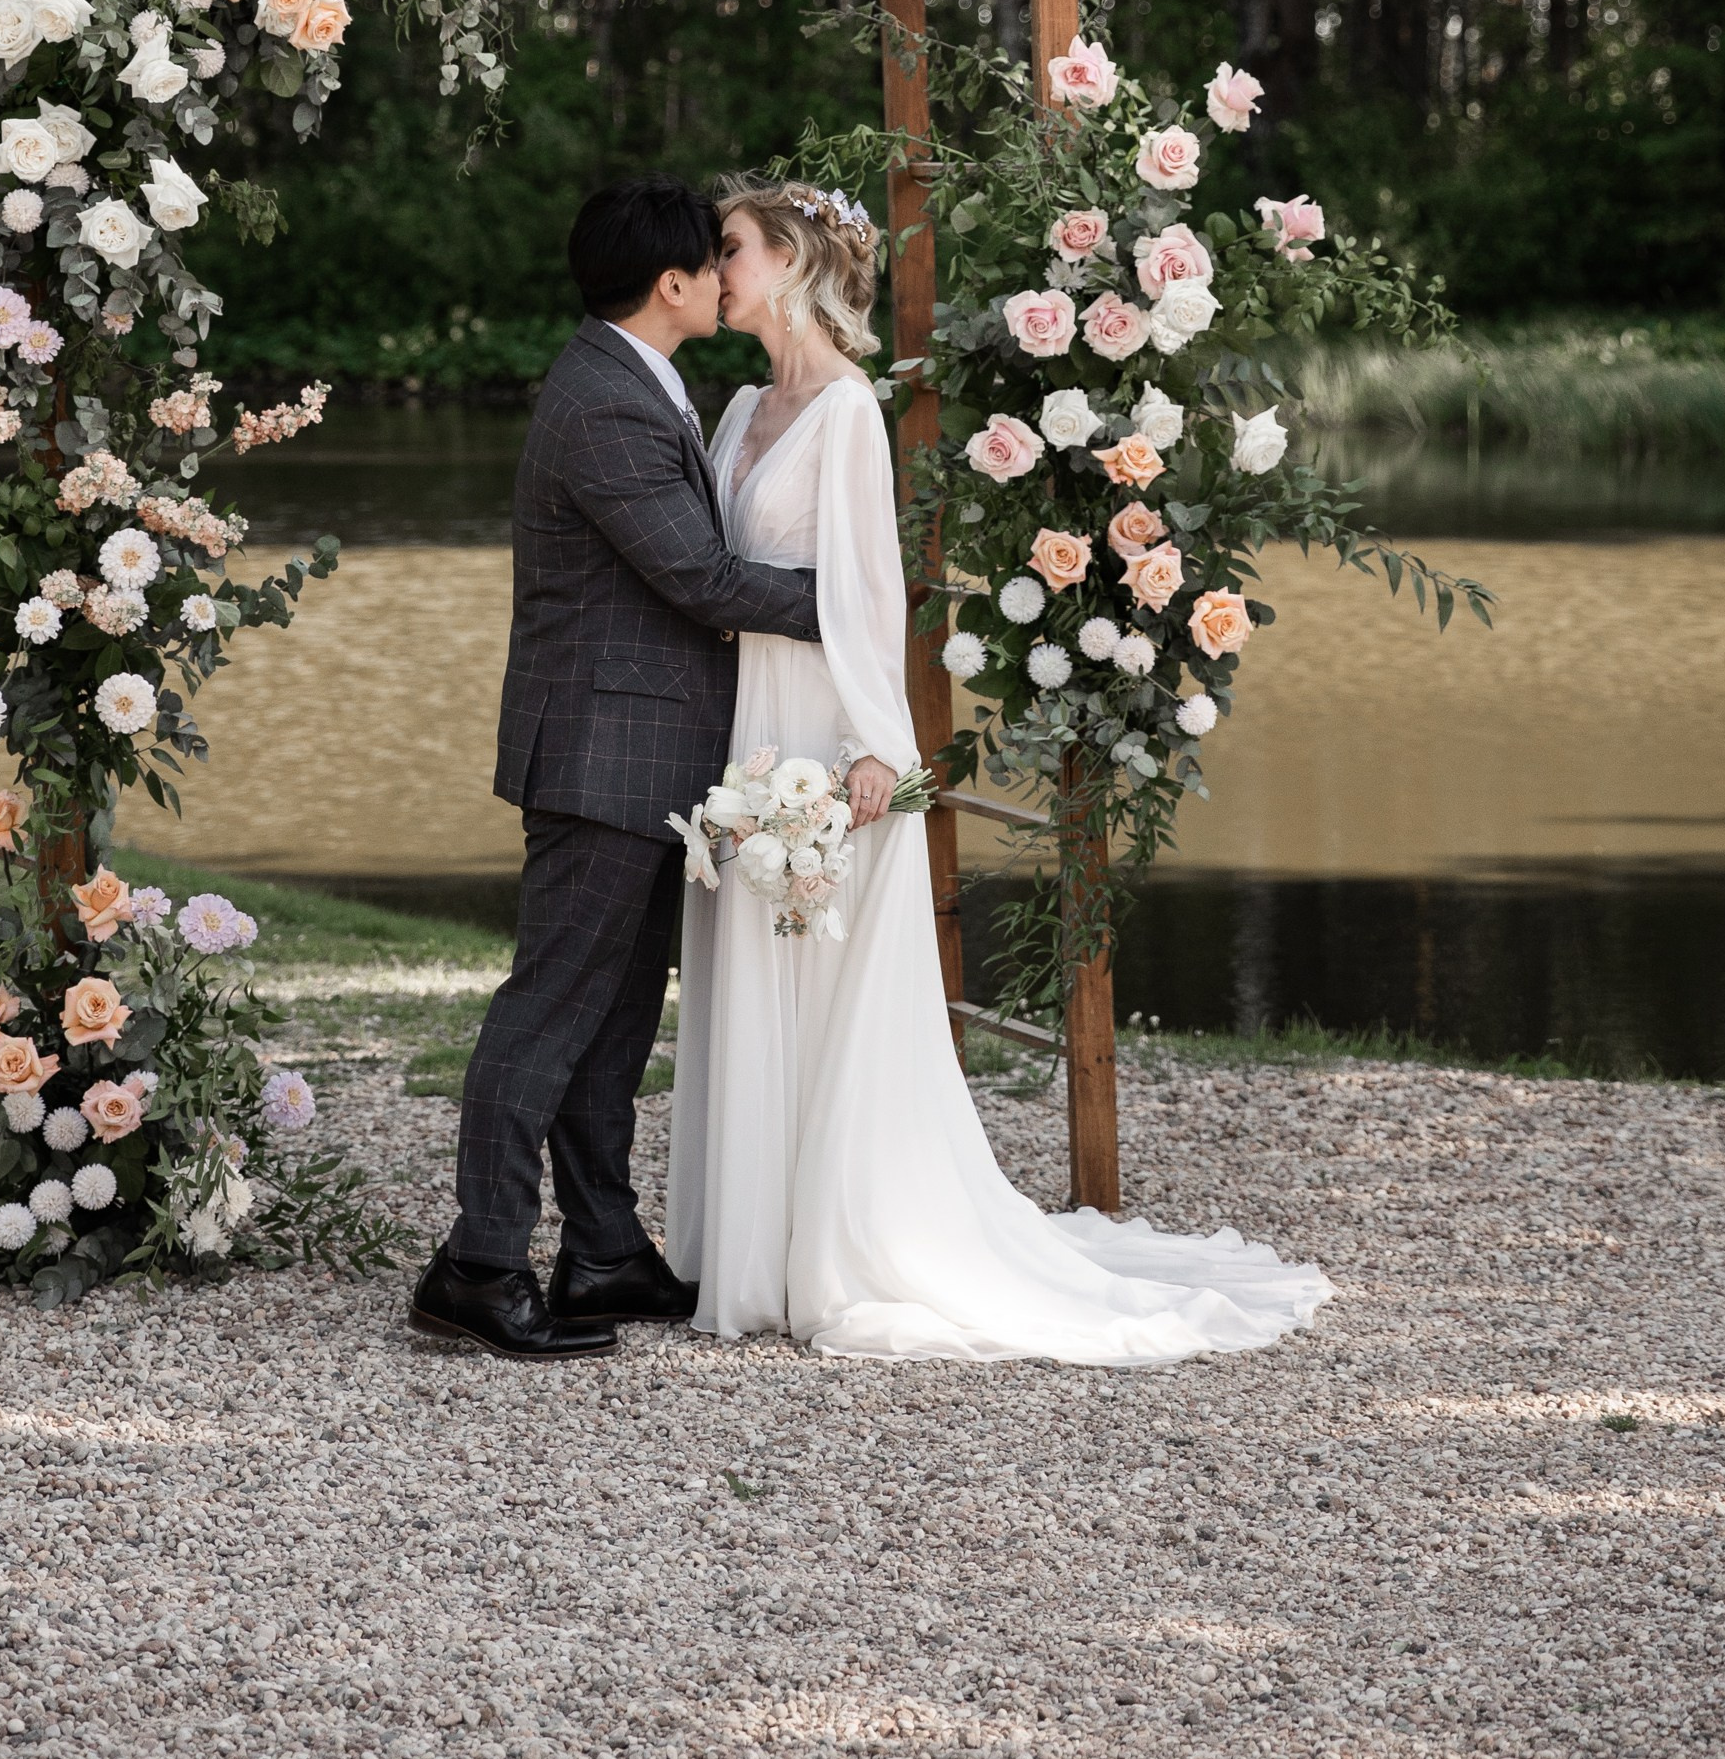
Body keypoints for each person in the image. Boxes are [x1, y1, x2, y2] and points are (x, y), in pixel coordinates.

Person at [666, 178, 1333, 1364]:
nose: (711, 266)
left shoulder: (847, 414)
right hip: (744, 722)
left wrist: (879, 746)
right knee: (747, 962)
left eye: (728, 247)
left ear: (791, 258)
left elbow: (872, 594)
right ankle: (746, 1244)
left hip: (823, 725)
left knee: (817, 971)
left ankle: (829, 1240)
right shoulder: (734, 408)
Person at [411, 175, 825, 1361]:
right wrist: (852, 599)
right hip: (599, 754)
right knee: (547, 1012)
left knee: (611, 1024)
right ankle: (478, 1263)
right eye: (714, 258)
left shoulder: (642, 382)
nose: (726, 272)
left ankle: (600, 1249)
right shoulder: (605, 402)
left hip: (644, 754)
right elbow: (697, 576)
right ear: (673, 283)